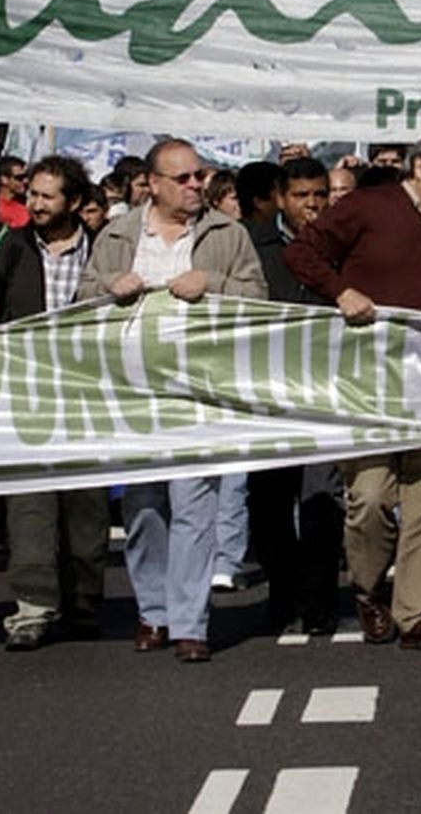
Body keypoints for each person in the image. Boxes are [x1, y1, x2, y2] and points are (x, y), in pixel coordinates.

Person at [77, 139, 266, 662]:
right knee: (143, 508)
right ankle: (152, 611)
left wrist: (216, 281)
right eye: (181, 179)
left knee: (195, 505)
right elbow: (82, 301)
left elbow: (260, 298)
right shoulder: (116, 235)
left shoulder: (228, 234)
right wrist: (110, 287)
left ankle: (189, 623)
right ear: (153, 184)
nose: (194, 186)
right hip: (135, 391)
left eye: (199, 177)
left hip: (199, 389)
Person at [284, 131, 421, 653]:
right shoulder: (369, 206)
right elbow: (302, 253)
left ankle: (418, 614)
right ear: (420, 166)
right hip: (367, 379)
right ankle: (368, 589)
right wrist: (340, 291)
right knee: (368, 497)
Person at [0, 156, 110, 650]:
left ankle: (84, 602)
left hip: (89, 397)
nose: (33, 204)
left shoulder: (104, 249)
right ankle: (33, 610)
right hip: (29, 396)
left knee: (87, 510)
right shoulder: (14, 247)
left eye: (46, 196)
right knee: (30, 507)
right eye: (30, 194)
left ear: (75, 202)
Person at [244, 157, 345, 635]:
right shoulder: (255, 245)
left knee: (322, 496)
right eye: (302, 196)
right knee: (269, 501)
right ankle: (283, 590)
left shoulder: (342, 245)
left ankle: (321, 597)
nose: (312, 205)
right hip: (268, 390)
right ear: (281, 199)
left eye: (320, 195)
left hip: (327, 388)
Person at [0, 155, 30, 228]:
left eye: (26, 176)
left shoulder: (28, 204)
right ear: (4, 180)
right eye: (19, 178)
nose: (25, 181)